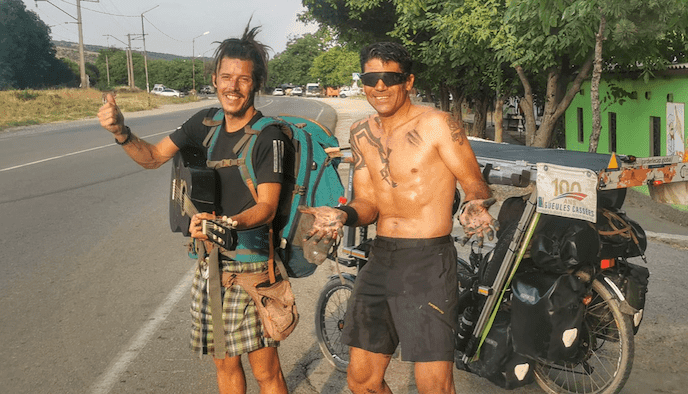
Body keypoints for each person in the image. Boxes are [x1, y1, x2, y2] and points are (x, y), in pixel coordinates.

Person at [97, 23, 292, 394]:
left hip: (252, 265)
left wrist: (227, 222)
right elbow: (153, 157)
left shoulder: (268, 135)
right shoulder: (203, 122)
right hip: (210, 264)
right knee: (224, 363)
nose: (232, 87)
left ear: (257, 83)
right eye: (225, 77)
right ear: (215, 79)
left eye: (243, 79)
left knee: (266, 370)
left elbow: (266, 206)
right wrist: (121, 131)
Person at [300, 42, 497, 394]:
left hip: (428, 261)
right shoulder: (360, 132)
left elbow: (473, 181)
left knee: (434, 386)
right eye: (370, 78)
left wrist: (475, 204)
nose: (379, 87)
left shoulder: (437, 124)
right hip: (381, 258)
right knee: (362, 381)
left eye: (389, 78)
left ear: (408, 82)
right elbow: (369, 204)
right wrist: (341, 214)